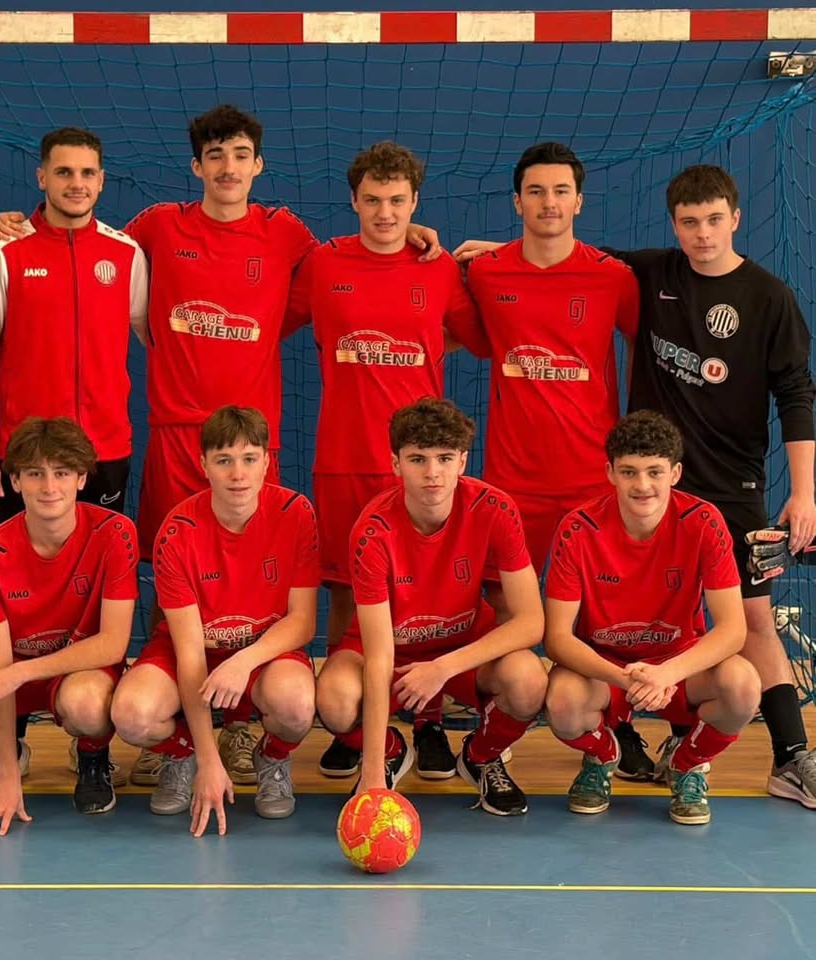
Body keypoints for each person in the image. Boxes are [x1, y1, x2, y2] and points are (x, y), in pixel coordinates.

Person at [0, 107, 437, 789]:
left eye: (241, 154)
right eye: (215, 155)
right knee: (171, 589)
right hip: (175, 439)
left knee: (256, 587)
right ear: (196, 166)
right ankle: (168, 730)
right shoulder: (156, 228)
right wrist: (22, 221)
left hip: (249, 447)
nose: (229, 167)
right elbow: (80, 235)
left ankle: (243, 734)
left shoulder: (286, 234)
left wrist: (416, 239)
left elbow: (363, 257)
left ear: (258, 165)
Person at [454, 163, 816, 803]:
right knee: (572, 613)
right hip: (638, 473)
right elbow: (572, 254)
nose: (702, 234)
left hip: (730, 481)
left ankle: (790, 756)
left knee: (752, 619)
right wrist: (500, 252)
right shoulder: (649, 274)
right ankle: (521, 745)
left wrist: (805, 490)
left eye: (713, 220)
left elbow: (795, 391)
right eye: (688, 222)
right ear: (673, 225)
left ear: (734, 218)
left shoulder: (768, 296)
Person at [284, 141, 486, 782]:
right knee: (347, 595)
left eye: (397, 201)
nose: (384, 212)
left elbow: (480, 335)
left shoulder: (438, 268)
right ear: (353, 201)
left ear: (415, 202)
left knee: (429, 590)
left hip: (421, 463)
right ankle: (363, 726)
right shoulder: (322, 263)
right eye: (372, 200)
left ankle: (428, 724)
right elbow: (265, 315)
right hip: (344, 457)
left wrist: (493, 261)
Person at [0, 126, 146, 794]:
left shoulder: (127, 254)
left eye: (88, 174)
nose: (76, 185)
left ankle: (91, 746)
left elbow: (156, 337)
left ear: (101, 180)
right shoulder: (6, 252)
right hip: (25, 462)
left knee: (98, 611)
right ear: (41, 178)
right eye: (63, 173)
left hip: (107, 457)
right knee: (21, 606)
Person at [315, 398, 547, 816]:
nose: (432, 473)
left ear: (462, 461)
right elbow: (381, 652)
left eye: (444, 458)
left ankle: (480, 757)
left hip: (460, 648)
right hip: (389, 650)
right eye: (417, 459)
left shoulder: (494, 509)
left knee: (528, 679)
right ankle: (389, 753)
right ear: (395, 464)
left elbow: (532, 622)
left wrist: (444, 667)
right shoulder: (372, 530)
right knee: (333, 698)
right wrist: (369, 771)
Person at [544, 410, 761, 824]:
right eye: (629, 472)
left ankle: (687, 762)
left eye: (654, 472)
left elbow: (733, 630)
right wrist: (625, 679)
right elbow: (556, 638)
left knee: (743, 686)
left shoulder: (703, 522)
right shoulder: (578, 528)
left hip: (678, 667)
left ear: (675, 473)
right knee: (562, 702)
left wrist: (667, 673)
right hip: (606, 671)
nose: (642, 486)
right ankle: (603, 756)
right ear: (609, 472)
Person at [109, 406, 318, 836]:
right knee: (132, 715)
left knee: (296, 705)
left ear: (267, 463)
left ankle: (273, 758)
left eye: (249, 459)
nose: (237, 474)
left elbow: (301, 623)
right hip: (196, 653)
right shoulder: (176, 532)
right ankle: (181, 754)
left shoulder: (296, 514)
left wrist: (245, 661)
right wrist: (208, 758)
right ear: (204, 465)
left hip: (264, 653)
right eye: (224, 460)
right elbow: (189, 654)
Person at [464, 142, 639, 612]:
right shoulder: (485, 272)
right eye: (536, 191)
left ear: (579, 201)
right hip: (512, 481)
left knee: (598, 607)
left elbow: (643, 343)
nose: (549, 202)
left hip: (591, 478)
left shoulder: (613, 277)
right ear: (518, 202)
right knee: (502, 604)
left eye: (561, 191)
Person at [0, 417, 139, 834]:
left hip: (76, 668)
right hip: (12, 661)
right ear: (15, 481)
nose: (49, 487)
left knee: (89, 705)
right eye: (35, 473)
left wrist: (21, 673)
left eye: (61, 473)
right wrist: (8, 782)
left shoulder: (116, 534)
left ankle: (93, 758)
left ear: (82, 478)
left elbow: (111, 645)